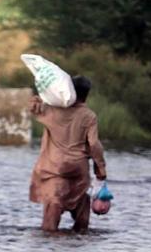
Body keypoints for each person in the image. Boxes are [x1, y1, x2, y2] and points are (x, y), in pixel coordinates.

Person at [29, 75, 107, 233]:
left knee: (52, 213)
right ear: (87, 94)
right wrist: (100, 169)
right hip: (79, 169)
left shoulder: (52, 111)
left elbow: (33, 105)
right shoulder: (89, 116)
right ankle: (80, 237)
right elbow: (94, 144)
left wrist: (45, 95)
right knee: (81, 206)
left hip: (54, 168)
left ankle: (51, 243)